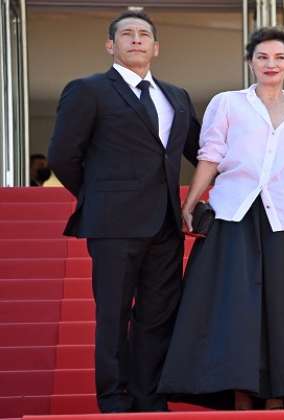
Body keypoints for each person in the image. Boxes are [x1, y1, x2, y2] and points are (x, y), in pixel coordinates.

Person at [158, 27, 284, 410]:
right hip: (235, 214)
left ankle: (282, 398)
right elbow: (210, 155)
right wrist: (190, 202)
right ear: (251, 62)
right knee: (233, 307)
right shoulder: (227, 103)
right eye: (262, 57)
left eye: (279, 57)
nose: (271, 64)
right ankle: (239, 395)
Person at [46, 12, 200, 412]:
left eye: (144, 34)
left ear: (156, 47)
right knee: (113, 317)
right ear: (110, 45)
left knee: (156, 317)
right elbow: (63, 155)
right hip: (113, 225)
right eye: (126, 34)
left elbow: (204, 151)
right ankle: (114, 399)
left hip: (166, 226)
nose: (136, 40)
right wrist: (99, 196)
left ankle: (149, 398)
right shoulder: (88, 90)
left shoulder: (176, 96)